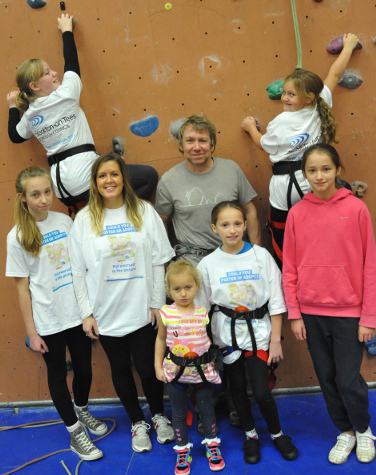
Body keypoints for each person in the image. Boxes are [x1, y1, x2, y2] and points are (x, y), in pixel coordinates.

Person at [68, 152, 175, 453]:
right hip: (105, 312)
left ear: (123, 178)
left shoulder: (143, 211)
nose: (109, 180)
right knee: (120, 369)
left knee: (148, 366)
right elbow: (77, 271)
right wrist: (86, 313)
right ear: (95, 182)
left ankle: (157, 416)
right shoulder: (85, 219)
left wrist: (156, 302)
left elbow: (158, 262)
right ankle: (137, 423)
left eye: (114, 174)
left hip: (142, 309)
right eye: (102, 176)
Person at [6, 14, 157, 215]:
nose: (54, 74)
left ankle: (94, 213)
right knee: (148, 177)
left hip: (61, 189)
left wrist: (12, 107)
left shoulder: (30, 114)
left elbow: (15, 136)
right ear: (34, 86)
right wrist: (67, 30)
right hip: (84, 178)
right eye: (47, 73)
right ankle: (112, 217)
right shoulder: (66, 94)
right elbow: (71, 62)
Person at [5, 166, 107, 461]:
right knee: (58, 373)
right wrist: (32, 332)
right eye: (35, 194)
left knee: (85, 369)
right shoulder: (18, 237)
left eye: (47, 192)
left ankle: (83, 410)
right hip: (48, 320)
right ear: (23, 198)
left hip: (76, 313)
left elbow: (81, 268)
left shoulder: (64, 221)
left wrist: (87, 309)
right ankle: (75, 432)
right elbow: (22, 289)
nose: (44, 199)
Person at [283, 143, 376, 465]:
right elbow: (290, 267)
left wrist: (369, 317)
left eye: (325, 169)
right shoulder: (297, 213)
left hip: (350, 313)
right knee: (326, 376)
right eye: (312, 170)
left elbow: (370, 265)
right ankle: (345, 431)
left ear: (338, 170)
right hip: (311, 312)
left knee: (348, 377)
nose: (319, 176)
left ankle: (363, 429)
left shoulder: (356, 209)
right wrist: (295, 314)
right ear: (304, 174)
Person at [241, 33, 360, 268]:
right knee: (321, 230)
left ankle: (293, 276)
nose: (284, 97)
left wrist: (250, 129)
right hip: (315, 182)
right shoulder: (320, 104)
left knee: (284, 233)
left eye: (290, 94)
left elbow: (263, 144)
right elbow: (334, 75)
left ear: (308, 97)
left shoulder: (281, 122)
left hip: (286, 186)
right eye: (284, 92)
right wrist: (348, 47)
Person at [195, 201, 298, 464]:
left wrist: (276, 341)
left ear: (245, 225)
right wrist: (199, 344)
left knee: (261, 391)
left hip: (259, 334)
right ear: (214, 228)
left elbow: (276, 301)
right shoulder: (207, 264)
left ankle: (277, 434)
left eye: (238, 224)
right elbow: (200, 309)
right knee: (237, 388)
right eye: (225, 225)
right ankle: (251, 436)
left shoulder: (260, 256)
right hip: (226, 336)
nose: (232, 230)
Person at [155, 113, 260, 266]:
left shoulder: (231, 169)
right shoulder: (169, 180)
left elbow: (250, 211)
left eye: (202, 140)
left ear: (212, 145)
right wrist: (167, 264)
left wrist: (255, 253)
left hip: (233, 255)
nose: (196, 147)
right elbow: (160, 223)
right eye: (190, 141)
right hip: (192, 261)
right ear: (181, 146)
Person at [155, 260, 225, 475]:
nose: (183, 293)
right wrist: (158, 366)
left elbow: (208, 341)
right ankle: (183, 449)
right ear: (169, 290)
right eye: (177, 289)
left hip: (201, 373)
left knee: (206, 409)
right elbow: (160, 340)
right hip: (175, 373)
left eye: (188, 287)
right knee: (178, 412)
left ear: (196, 286)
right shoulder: (165, 313)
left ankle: (212, 444)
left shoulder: (203, 312)